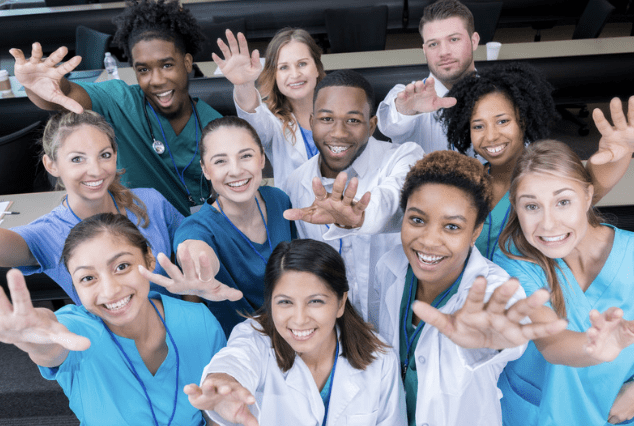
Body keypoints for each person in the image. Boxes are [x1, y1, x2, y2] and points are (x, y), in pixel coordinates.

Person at [375, 150, 568, 426]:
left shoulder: (496, 288)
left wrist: (484, 344)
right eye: (417, 220)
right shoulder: (389, 267)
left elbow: (502, 338)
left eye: (452, 227)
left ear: (475, 232)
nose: (429, 240)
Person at [0, 213, 231, 425]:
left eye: (122, 266)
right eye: (88, 278)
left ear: (149, 259)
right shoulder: (75, 330)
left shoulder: (200, 322)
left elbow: (215, 412)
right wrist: (33, 340)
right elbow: (51, 343)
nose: (110, 291)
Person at [9, 0, 222, 216]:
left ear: (187, 63)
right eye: (143, 69)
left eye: (167, 65)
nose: (156, 80)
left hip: (196, 236)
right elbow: (67, 96)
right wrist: (42, 86)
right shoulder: (121, 101)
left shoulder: (213, 125)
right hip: (135, 232)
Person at [185, 239, 407, 426]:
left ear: (341, 303)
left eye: (316, 301)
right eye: (285, 302)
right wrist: (223, 381)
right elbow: (237, 359)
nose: (300, 319)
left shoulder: (380, 360)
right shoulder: (254, 339)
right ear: (270, 302)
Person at [494, 140, 634, 426]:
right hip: (537, 412)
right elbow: (551, 342)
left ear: (588, 196)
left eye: (563, 202)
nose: (548, 224)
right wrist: (592, 347)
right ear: (516, 208)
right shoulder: (513, 258)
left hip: (616, 413)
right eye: (532, 206)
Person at [439, 63, 634, 260]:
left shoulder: (545, 173)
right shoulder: (467, 182)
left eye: (502, 121)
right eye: (478, 126)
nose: (490, 136)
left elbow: (593, 182)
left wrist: (622, 152)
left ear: (522, 120)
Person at [283, 69, 424, 327]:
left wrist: (358, 219)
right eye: (326, 119)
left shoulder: (403, 157)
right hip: (333, 335)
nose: (338, 133)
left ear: (371, 126)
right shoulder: (296, 183)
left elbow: (393, 199)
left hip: (398, 330)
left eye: (353, 121)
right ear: (312, 122)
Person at [0, 111, 183, 304]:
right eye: (77, 159)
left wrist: (194, 315)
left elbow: (189, 260)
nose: (96, 171)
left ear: (115, 156)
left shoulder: (151, 201)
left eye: (104, 155)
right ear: (51, 165)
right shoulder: (49, 232)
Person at [168, 116, 297, 337]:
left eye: (245, 156)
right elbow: (194, 247)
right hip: (245, 347)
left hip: (296, 329)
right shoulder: (197, 227)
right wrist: (200, 269)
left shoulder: (278, 200)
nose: (236, 170)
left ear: (262, 159)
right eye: (220, 161)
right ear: (206, 170)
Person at [214, 27, 326, 191]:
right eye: (283, 67)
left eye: (302, 64)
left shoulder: (339, 109)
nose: (294, 74)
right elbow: (255, 128)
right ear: (274, 75)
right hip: (295, 213)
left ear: (316, 67)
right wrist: (244, 84)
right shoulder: (272, 121)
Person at [376, 0, 476, 155]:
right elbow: (388, 124)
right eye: (433, 44)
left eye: (454, 39)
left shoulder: (503, 94)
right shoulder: (408, 95)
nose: (444, 52)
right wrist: (406, 110)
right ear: (424, 50)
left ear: (474, 41)